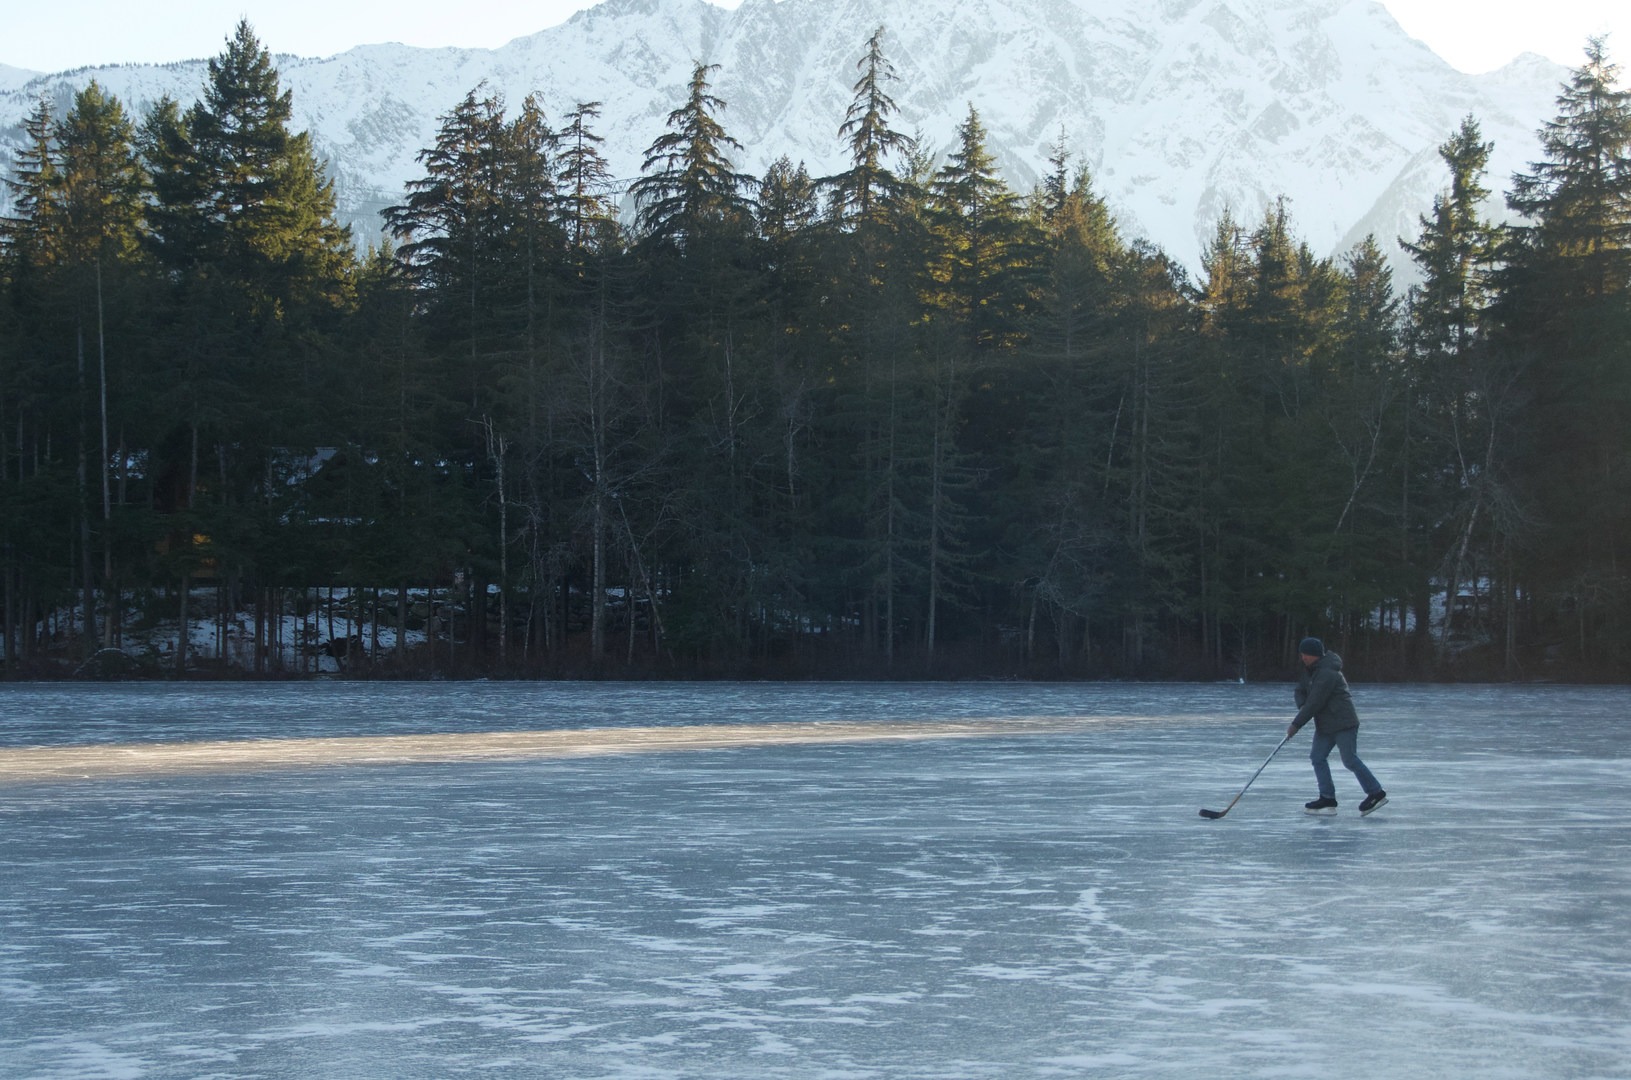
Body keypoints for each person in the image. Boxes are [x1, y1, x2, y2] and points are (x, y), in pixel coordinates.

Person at [1287, 636, 1387, 816]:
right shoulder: (1310, 671)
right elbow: (1300, 690)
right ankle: (1327, 798)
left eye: (1306, 655)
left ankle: (1376, 793)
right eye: (1302, 655)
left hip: (1343, 723)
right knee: (1317, 757)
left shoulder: (1327, 673)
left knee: (1349, 759)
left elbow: (1315, 702)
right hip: (1325, 725)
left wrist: (1296, 724)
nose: (1303, 658)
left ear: (1316, 655)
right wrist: (1302, 705)